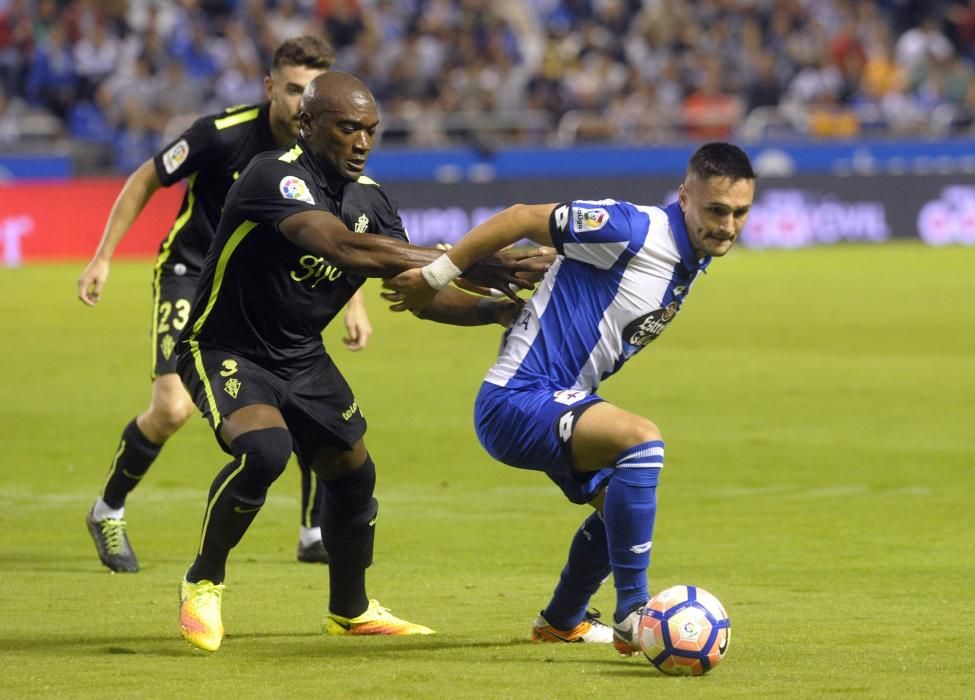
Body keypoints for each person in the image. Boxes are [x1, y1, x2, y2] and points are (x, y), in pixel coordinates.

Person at [174, 70, 543, 652]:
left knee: (354, 474)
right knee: (265, 451)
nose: (362, 141)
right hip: (226, 347)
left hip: (300, 355)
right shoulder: (274, 176)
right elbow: (343, 247)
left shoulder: (370, 199)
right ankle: (202, 581)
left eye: (371, 130)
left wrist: (492, 310)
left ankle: (349, 610)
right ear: (307, 124)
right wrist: (484, 264)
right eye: (347, 128)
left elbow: (419, 290)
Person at [383, 142, 756, 652]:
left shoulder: (686, 257)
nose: (728, 225)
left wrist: (557, 260)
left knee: (619, 509)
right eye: (716, 210)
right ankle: (635, 614)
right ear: (685, 198)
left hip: (555, 398)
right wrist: (434, 276)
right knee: (642, 442)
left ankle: (560, 621)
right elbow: (518, 217)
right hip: (515, 400)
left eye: (739, 213)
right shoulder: (633, 229)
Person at [77, 36, 355, 573]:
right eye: (294, 89)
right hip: (190, 276)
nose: (303, 103)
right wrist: (103, 256)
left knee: (302, 394)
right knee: (172, 409)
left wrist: (356, 303)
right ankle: (107, 508)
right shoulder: (219, 134)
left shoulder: (320, 151)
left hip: (259, 288)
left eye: (312, 92)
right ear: (270, 86)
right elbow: (145, 177)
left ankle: (312, 531)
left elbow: (339, 234)